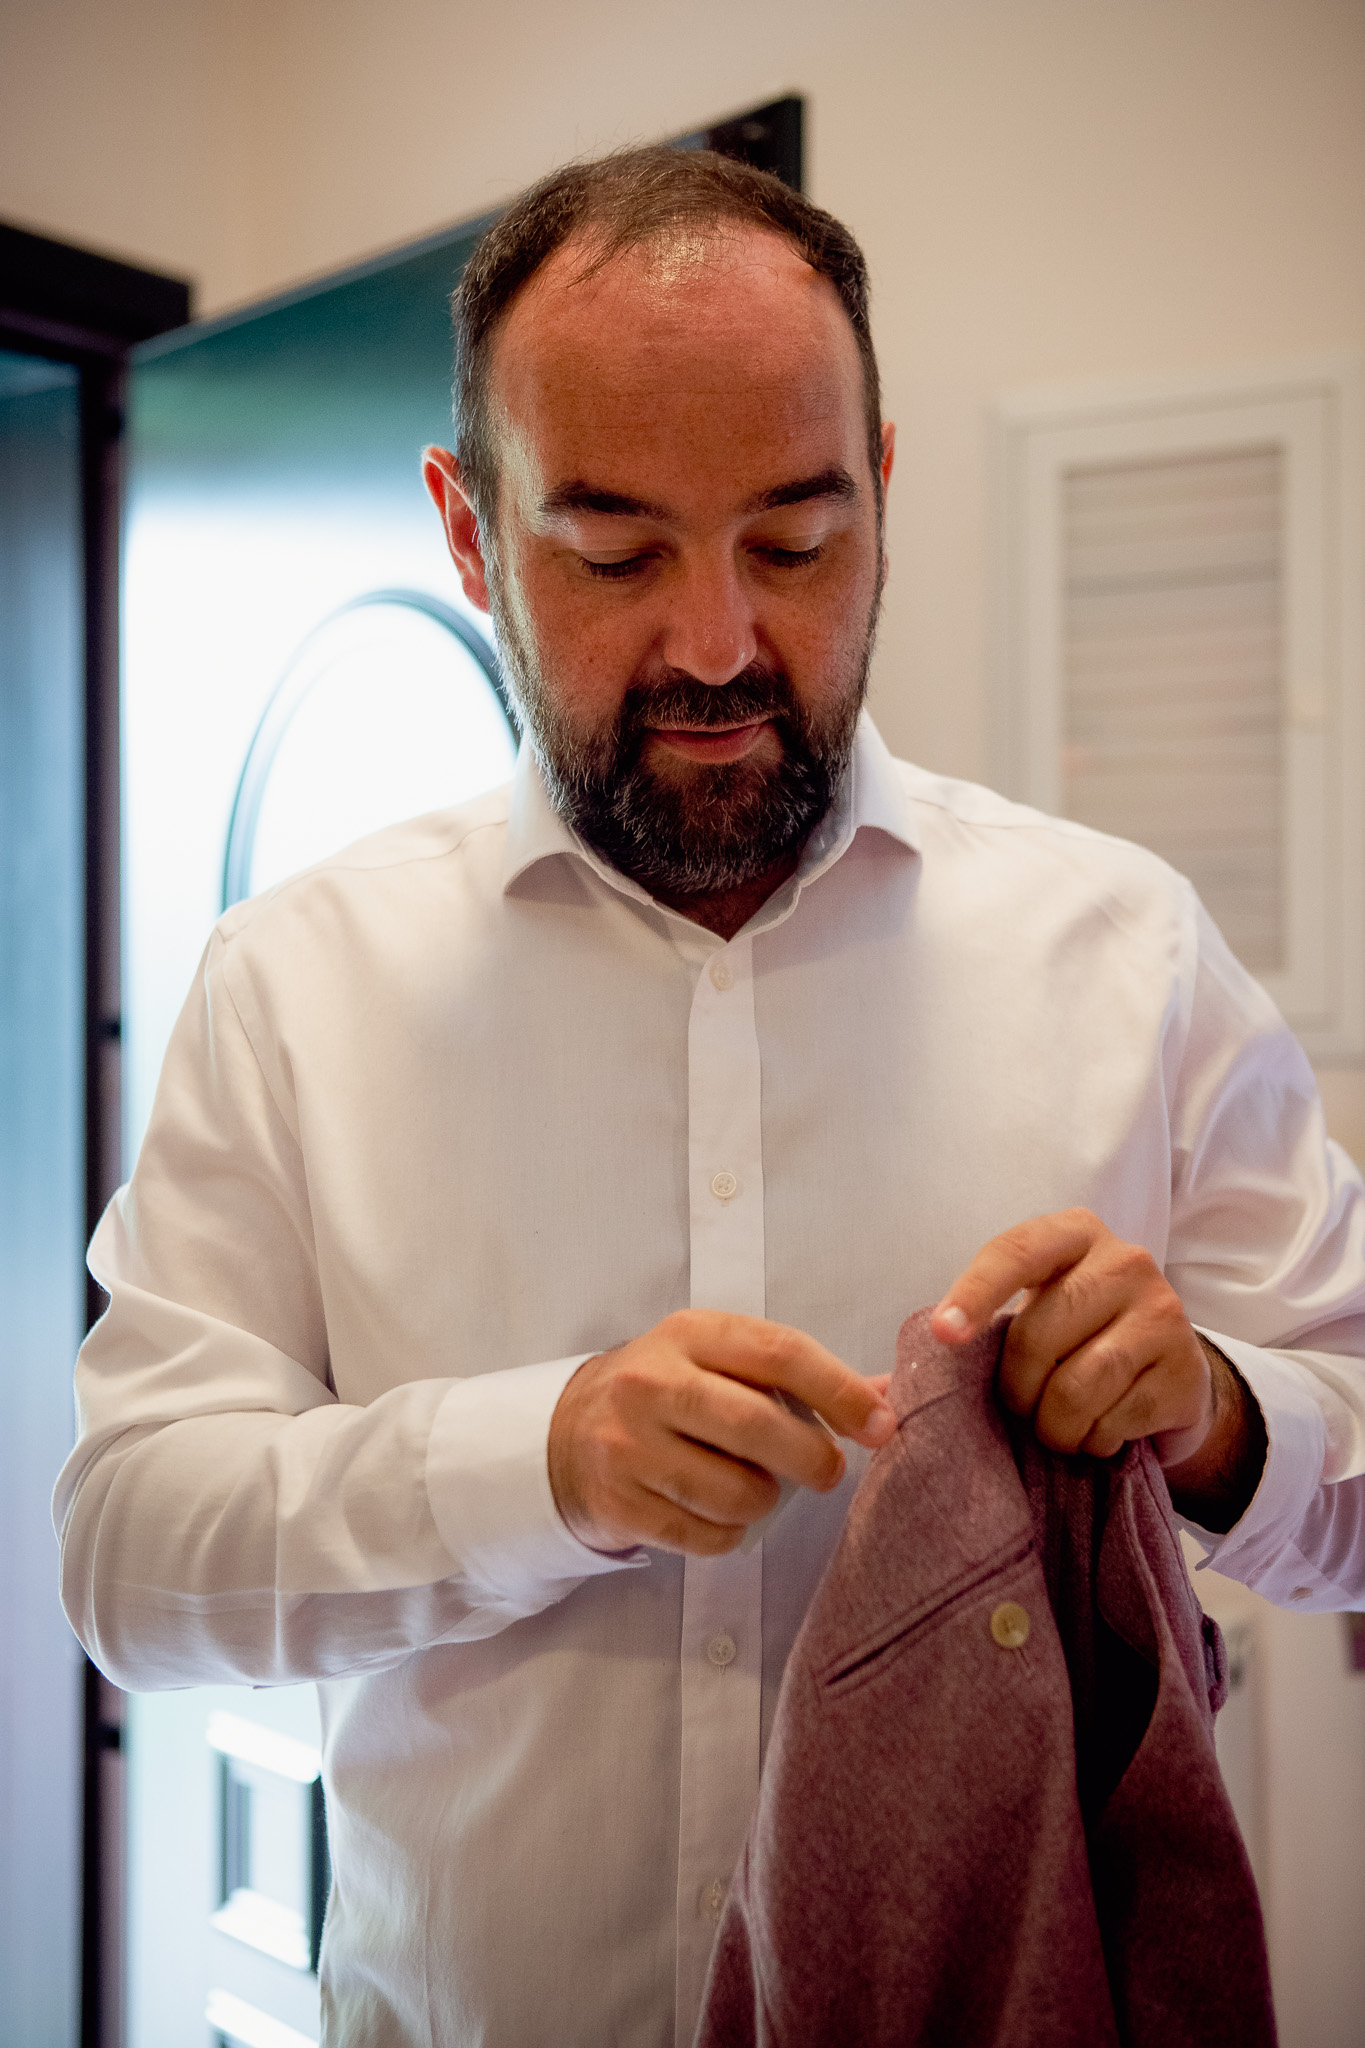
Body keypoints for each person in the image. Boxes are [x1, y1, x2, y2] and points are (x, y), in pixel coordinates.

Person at [56, 147, 1365, 2048]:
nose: (716, 644)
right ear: (466, 530)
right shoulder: (293, 987)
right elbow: (133, 1565)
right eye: (610, 552)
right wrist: (543, 1462)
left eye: (794, 539)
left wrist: (1219, 1423)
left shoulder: (1129, 954)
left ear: (884, 497)